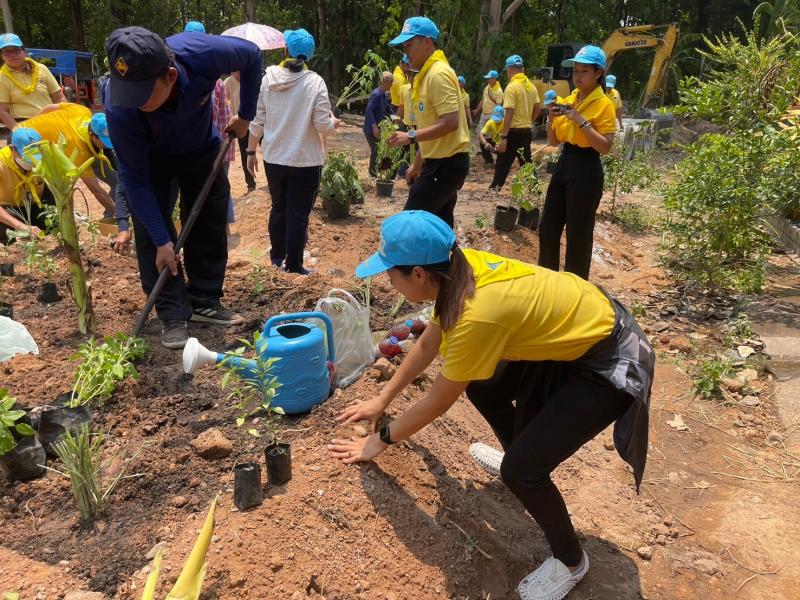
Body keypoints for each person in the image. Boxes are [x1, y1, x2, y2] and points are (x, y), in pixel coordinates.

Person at [329, 210, 654, 600]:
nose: (388, 281)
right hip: (580, 335)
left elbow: (436, 403)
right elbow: (430, 342)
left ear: (417, 274)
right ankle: (521, 460)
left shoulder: (475, 314)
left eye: (390, 273)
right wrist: (382, 398)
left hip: (611, 361)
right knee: (486, 388)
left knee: (523, 472)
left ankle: (570, 560)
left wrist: (378, 441)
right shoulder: (458, 269)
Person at [105, 26, 261, 348]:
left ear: (171, 76)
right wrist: (164, 242)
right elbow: (133, 179)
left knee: (210, 214)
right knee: (152, 231)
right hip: (151, 161)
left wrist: (245, 115)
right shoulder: (120, 109)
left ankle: (204, 299)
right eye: (127, 92)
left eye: (142, 94)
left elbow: (252, 56)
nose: (132, 102)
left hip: (199, 148)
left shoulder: (202, 53)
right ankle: (172, 313)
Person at [246, 28, 340, 275]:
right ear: (309, 55)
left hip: (274, 158)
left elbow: (257, 120)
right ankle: (294, 265)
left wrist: (250, 152)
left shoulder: (268, 79)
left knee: (279, 207)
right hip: (305, 160)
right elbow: (323, 125)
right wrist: (334, 124)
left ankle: (276, 258)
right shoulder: (315, 82)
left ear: (285, 50)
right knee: (298, 214)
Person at [539, 45, 616, 281]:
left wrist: (581, 122)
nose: (578, 76)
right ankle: (548, 280)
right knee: (548, 227)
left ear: (598, 73)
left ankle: (576, 288)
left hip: (587, 168)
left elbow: (605, 146)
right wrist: (551, 120)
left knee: (578, 234)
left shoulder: (604, 105)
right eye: (575, 71)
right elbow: (553, 142)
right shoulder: (568, 99)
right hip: (565, 162)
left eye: (584, 71)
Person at [386, 17, 470, 228]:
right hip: (438, 162)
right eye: (403, 47)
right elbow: (432, 129)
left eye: (409, 45)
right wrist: (416, 164)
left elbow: (451, 122)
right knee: (438, 226)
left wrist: (410, 136)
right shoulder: (426, 75)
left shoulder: (438, 74)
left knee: (410, 223)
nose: (406, 52)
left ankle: (412, 261)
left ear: (427, 42)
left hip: (446, 164)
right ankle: (445, 261)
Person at [22, 103, 117, 218]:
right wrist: (28, 131)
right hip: (24, 143)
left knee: (116, 178)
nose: (107, 145)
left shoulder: (82, 111)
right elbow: (95, 189)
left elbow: (49, 107)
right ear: (92, 135)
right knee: (46, 191)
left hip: (32, 131)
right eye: (104, 141)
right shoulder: (78, 150)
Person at [489, 55, 540, 190]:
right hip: (526, 131)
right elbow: (538, 108)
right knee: (526, 162)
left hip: (513, 132)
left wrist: (504, 136)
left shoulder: (512, 87)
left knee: (502, 162)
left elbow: (509, 112)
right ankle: (534, 189)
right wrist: (530, 121)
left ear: (510, 70)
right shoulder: (531, 87)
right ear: (522, 69)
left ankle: (496, 187)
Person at [0, 34, 66, 132]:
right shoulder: (2, 77)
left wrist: (66, 116)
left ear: (24, 51)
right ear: (1, 55)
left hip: (50, 121)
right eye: (7, 52)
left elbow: (59, 97)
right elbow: (2, 110)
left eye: (16, 50)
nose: (12, 55)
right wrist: (17, 130)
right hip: (25, 125)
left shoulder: (41, 69)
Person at [0, 127, 48, 241]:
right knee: (8, 231)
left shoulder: (46, 156)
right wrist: (20, 226)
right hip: (9, 209)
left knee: (52, 221)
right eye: (27, 157)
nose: (33, 162)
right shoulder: (1, 164)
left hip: (34, 204)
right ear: (13, 150)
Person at [225, 71, 257, 192]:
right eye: (235, 70)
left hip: (255, 121)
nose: (238, 73)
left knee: (266, 146)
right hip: (240, 123)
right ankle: (250, 184)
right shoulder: (227, 83)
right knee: (245, 154)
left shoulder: (249, 78)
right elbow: (225, 101)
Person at [363, 71, 393, 177]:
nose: (392, 84)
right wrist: (374, 127)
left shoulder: (383, 94)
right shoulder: (376, 94)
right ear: (385, 82)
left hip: (377, 129)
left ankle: (377, 172)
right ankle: (372, 175)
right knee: (375, 151)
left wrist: (396, 117)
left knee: (379, 150)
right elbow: (369, 110)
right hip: (371, 129)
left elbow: (387, 109)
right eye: (391, 81)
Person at [472, 69, 503, 135]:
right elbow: (482, 100)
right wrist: (477, 110)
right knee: (479, 133)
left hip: (492, 115)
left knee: (489, 136)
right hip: (483, 114)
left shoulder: (499, 91)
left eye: (489, 78)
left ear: (494, 79)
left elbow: (498, 106)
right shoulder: (487, 87)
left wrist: (496, 119)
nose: (487, 79)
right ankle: (481, 144)